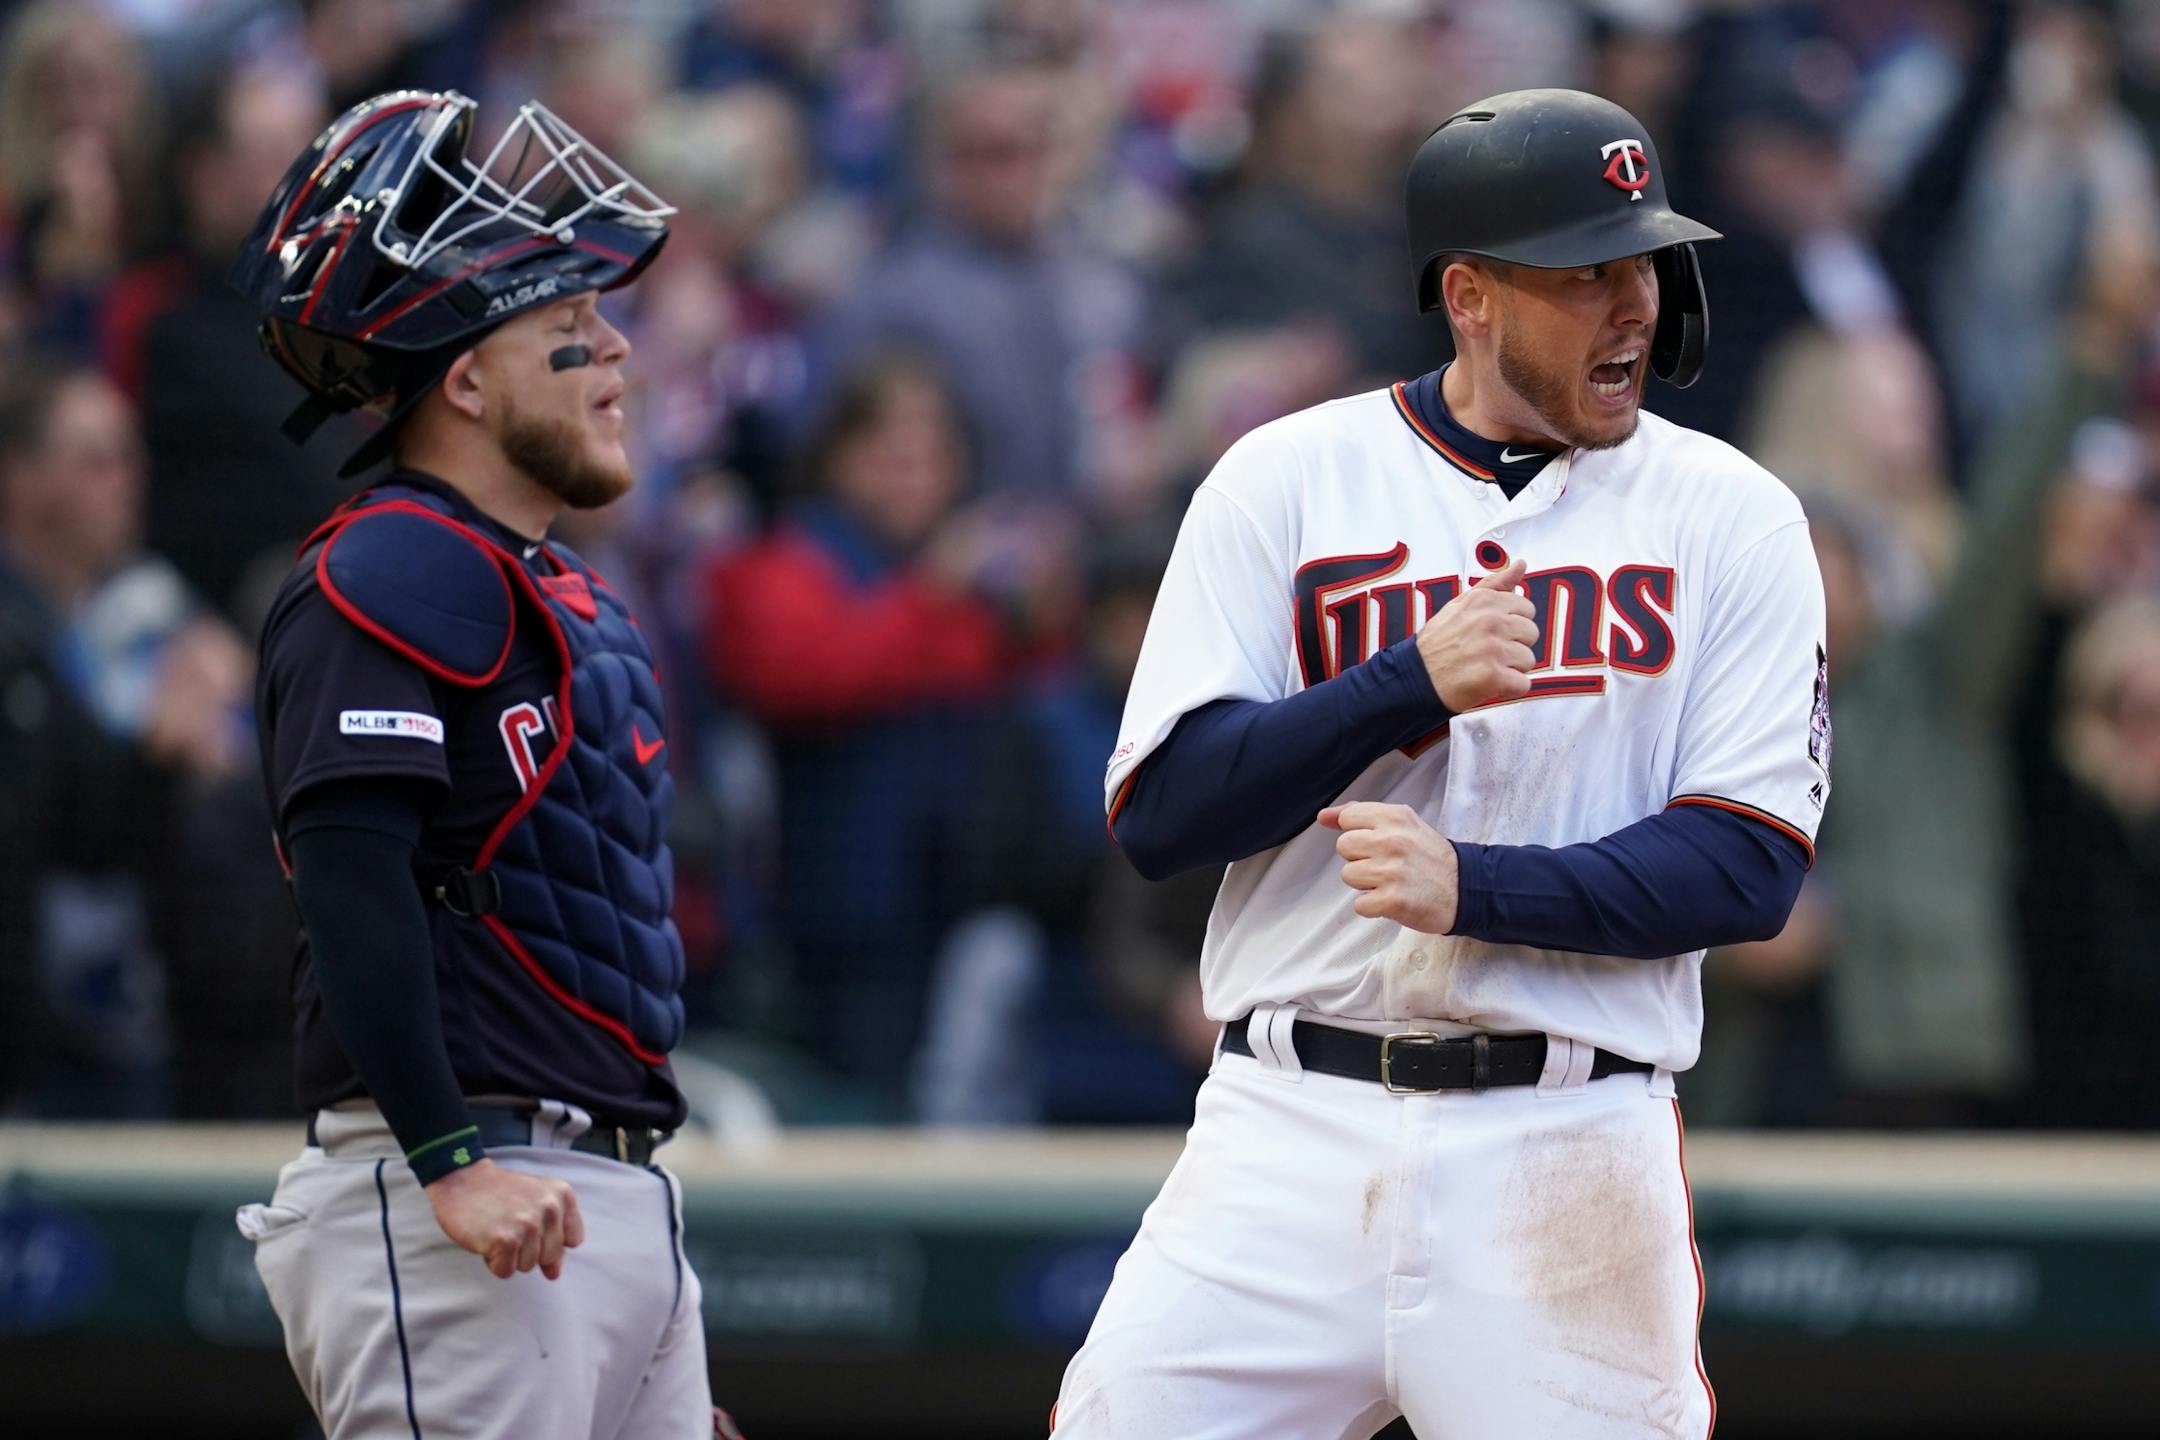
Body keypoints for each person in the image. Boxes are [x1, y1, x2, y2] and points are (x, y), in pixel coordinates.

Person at [1057, 90, 1829, 1437]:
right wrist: (1400, 681)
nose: (1634, 304)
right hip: (1285, 1137)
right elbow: (1164, 813)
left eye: (1643, 262)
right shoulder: (1285, 479)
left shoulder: (1734, 517)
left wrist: (1473, 886)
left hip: (1567, 1154)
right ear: (1469, 295)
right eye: (1586, 271)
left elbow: (1746, 865)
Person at [228, 89, 731, 1439]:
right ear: (463, 380)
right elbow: (349, 882)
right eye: (570, 332)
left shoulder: (546, 581)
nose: (616, 349)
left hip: (599, 1191)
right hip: (463, 1183)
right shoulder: (395, 560)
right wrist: (448, 1157)